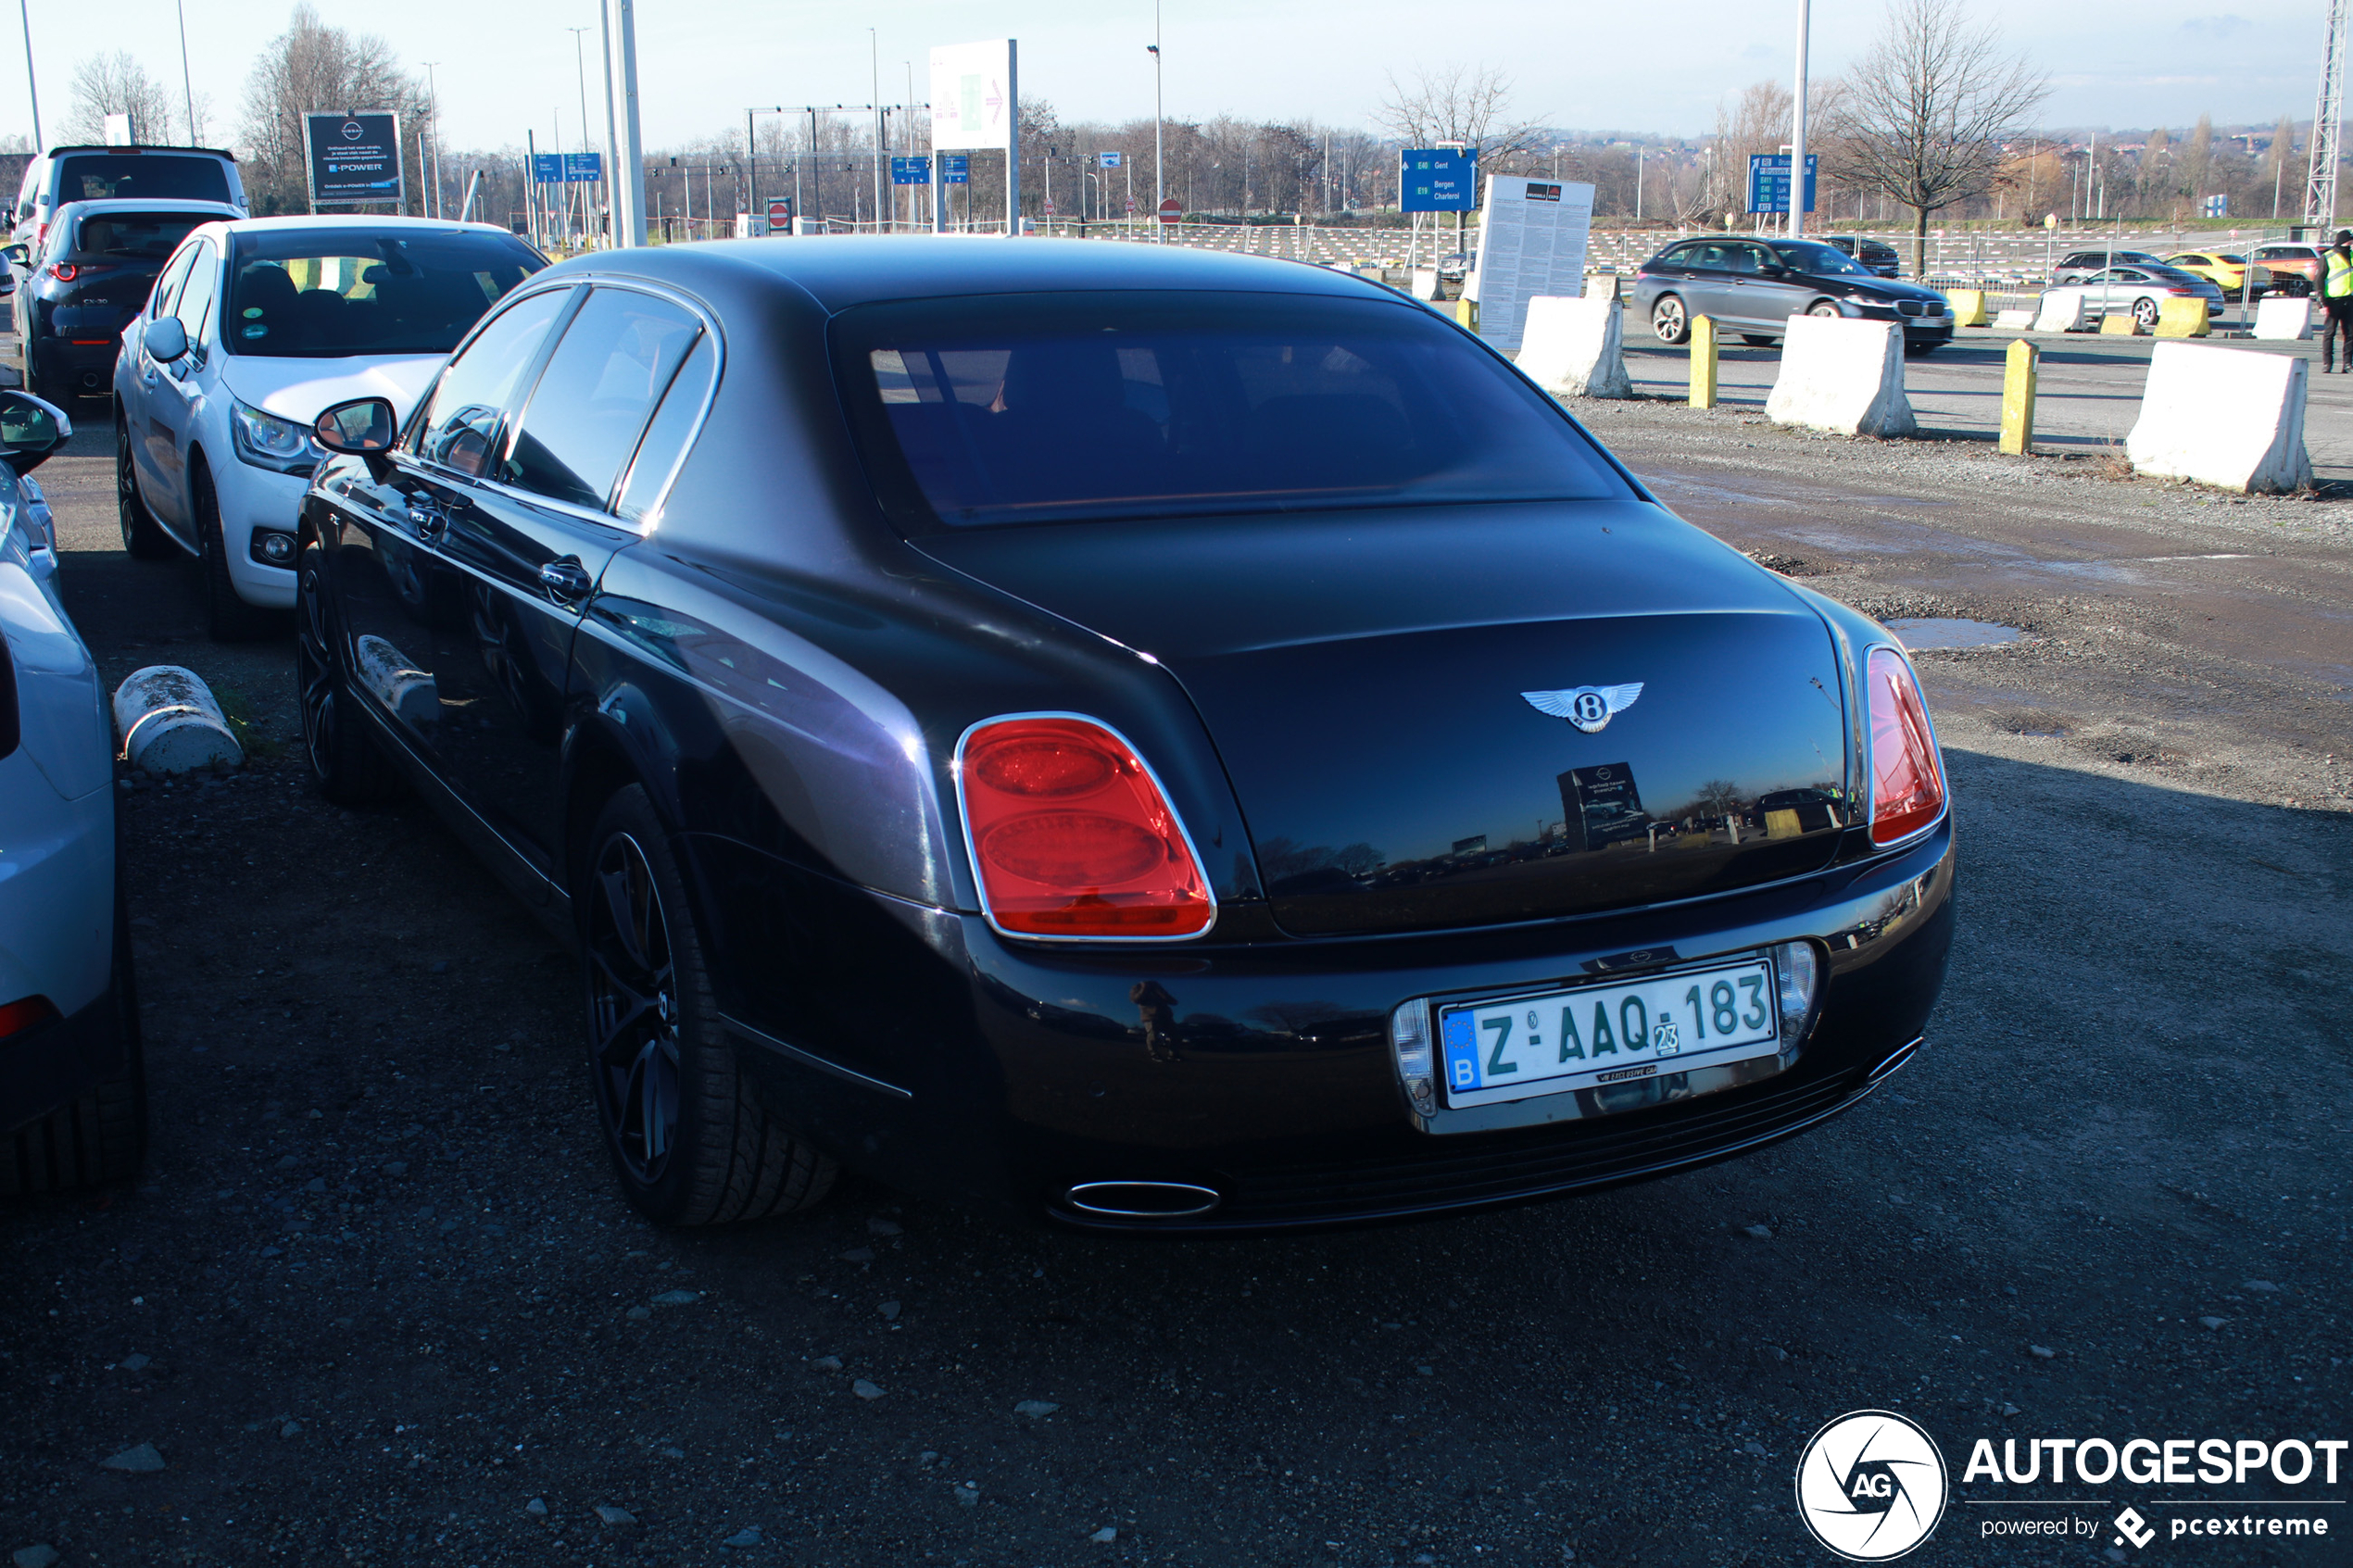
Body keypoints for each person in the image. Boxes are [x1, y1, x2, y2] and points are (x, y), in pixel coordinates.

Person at [2322, 230, 2353, 372]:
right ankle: (2327, 363)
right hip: (2333, 300)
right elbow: (2319, 281)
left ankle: (2347, 364)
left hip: (2350, 300)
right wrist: (2322, 303)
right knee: (2330, 333)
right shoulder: (2328, 257)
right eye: (2350, 241)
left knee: (2350, 333)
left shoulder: (2352, 255)